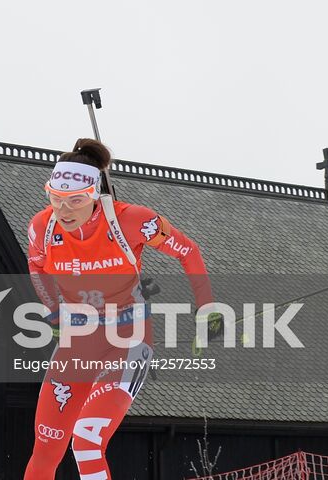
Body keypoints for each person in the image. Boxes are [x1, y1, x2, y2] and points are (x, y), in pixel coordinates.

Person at [24, 138, 220, 480]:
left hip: (127, 339)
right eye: (55, 198)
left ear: (95, 194)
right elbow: (37, 265)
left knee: (86, 440)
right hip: (78, 342)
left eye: (75, 201)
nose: (63, 210)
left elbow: (187, 251)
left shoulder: (132, 221)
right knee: (46, 447)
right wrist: (53, 310)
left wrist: (206, 308)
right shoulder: (43, 227)